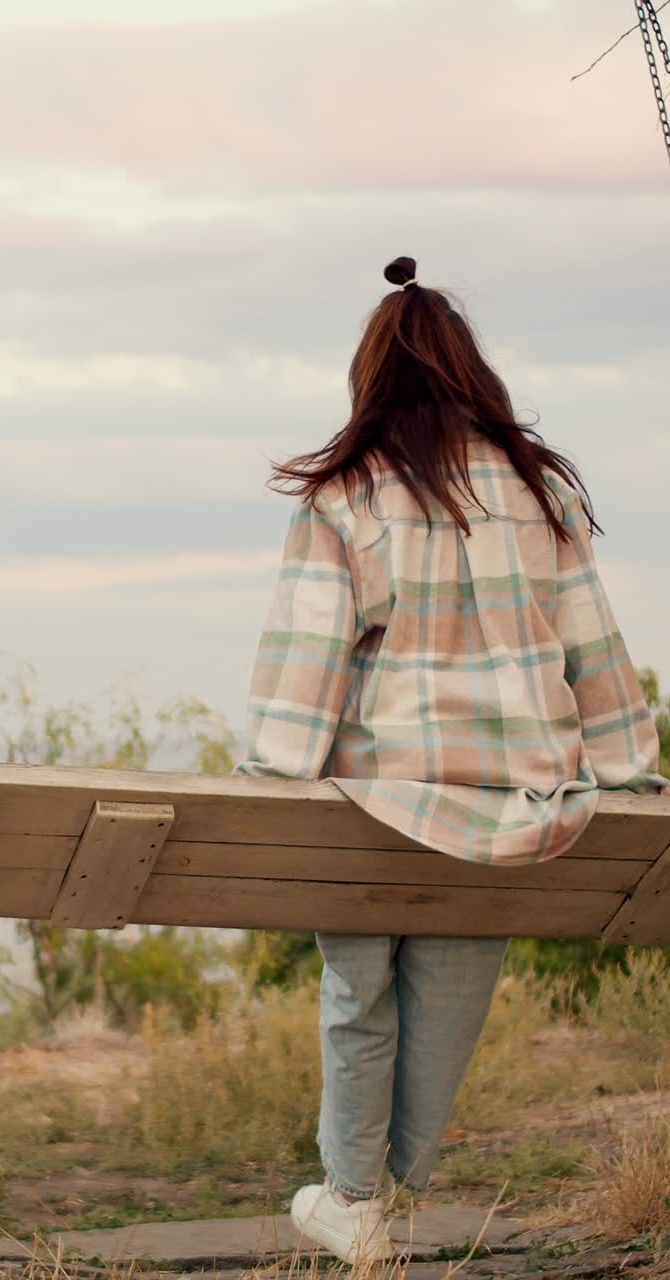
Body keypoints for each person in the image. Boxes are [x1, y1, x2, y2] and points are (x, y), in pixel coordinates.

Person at [233, 256, 669, 1265]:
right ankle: (392, 1193)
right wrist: (626, 761)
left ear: (372, 374)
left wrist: (276, 769)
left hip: (378, 802)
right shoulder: (538, 484)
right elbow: (590, 642)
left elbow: (308, 657)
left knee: (359, 999)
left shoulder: (347, 492)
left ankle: (351, 1198)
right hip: (515, 802)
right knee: (450, 1002)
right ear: (469, 369)